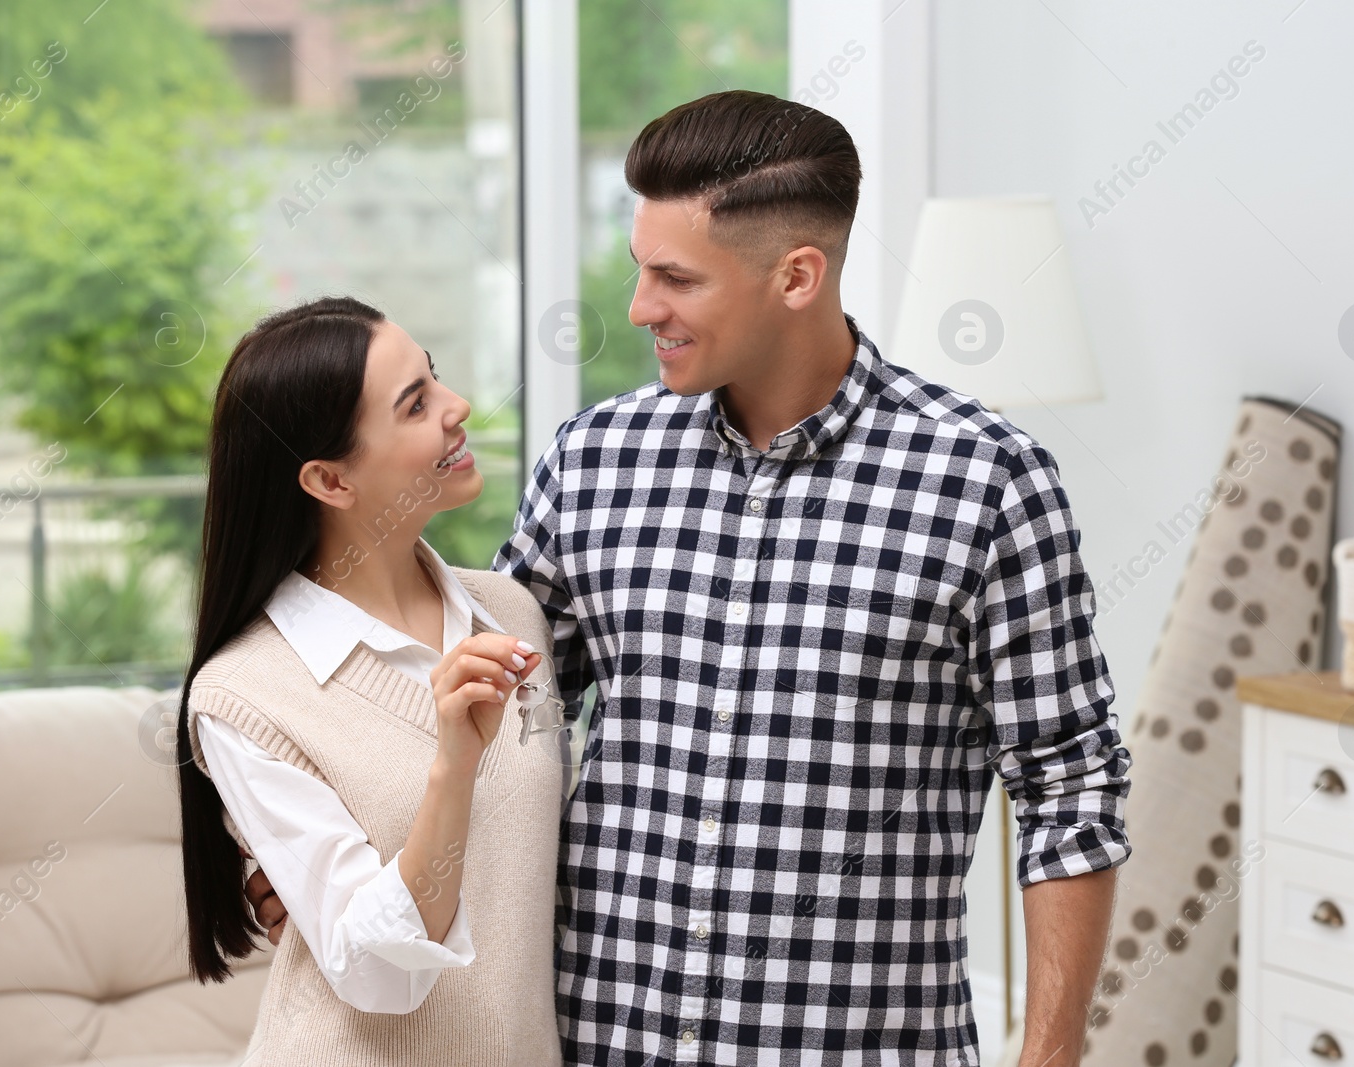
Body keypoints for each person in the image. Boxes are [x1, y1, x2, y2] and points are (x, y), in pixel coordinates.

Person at [252, 90, 1133, 1066]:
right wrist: (317, 845)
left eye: (676, 278)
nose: (639, 308)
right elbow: (483, 712)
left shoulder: (983, 481)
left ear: (797, 276)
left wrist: (1048, 1054)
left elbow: (1070, 784)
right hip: (596, 1041)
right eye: (640, 268)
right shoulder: (595, 460)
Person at [176, 296, 563, 1065]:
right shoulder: (244, 695)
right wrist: (453, 762)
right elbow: (379, 974)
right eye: (415, 404)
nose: (458, 409)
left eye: (436, 380)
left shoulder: (508, 611)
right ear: (330, 479)